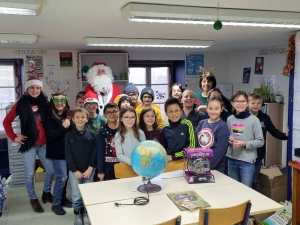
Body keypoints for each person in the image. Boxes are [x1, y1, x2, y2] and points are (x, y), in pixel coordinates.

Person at [3, 76, 55, 213]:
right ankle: (33, 198)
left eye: (38, 87)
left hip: (44, 143)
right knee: (29, 174)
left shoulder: (46, 102)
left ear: (41, 89)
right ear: (27, 89)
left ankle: (46, 192)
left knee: (51, 170)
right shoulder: (21, 103)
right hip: (29, 144)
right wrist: (14, 137)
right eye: (32, 87)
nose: (35, 90)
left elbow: (56, 114)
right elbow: (6, 121)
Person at [248, 93, 288, 190]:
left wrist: (285, 135)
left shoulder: (265, 118)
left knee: (254, 179)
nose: (256, 105)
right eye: (253, 103)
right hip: (246, 153)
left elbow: (273, 131)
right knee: (246, 179)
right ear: (248, 104)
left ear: (262, 105)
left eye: (258, 103)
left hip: (259, 153)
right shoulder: (244, 117)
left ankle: (254, 199)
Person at [65, 107, 96, 224]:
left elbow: (94, 152)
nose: (80, 119)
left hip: (89, 170)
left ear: (87, 119)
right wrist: (75, 170)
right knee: (76, 194)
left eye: (83, 117)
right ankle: (78, 214)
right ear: (73, 119)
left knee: (88, 192)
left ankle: (86, 213)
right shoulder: (69, 135)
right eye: (77, 117)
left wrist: (90, 168)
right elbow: (68, 155)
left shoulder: (92, 134)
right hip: (75, 171)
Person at [227, 91, 264, 188]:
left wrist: (244, 144)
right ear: (232, 103)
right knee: (233, 188)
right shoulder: (230, 119)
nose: (240, 104)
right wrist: (228, 140)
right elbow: (227, 136)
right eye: (237, 101)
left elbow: (260, 141)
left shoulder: (254, 120)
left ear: (247, 103)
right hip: (232, 159)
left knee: (246, 189)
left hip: (247, 161)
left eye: (243, 101)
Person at [45, 93, 72, 215]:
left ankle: (62, 198)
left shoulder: (68, 116)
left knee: (65, 177)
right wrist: (63, 126)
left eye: (62, 100)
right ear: (53, 103)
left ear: (66, 103)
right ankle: (56, 204)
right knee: (62, 177)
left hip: (67, 152)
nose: (60, 103)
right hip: (56, 153)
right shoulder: (49, 118)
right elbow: (50, 136)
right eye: (57, 101)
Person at [195, 97, 230, 173]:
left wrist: (207, 167)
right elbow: (196, 144)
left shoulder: (222, 127)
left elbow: (220, 151)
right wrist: (196, 162)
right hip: (199, 164)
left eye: (216, 109)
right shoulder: (201, 123)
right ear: (206, 108)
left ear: (221, 109)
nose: (213, 111)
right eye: (210, 108)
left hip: (216, 167)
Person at [97, 103, 120, 181]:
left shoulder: (124, 128)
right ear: (104, 115)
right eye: (108, 112)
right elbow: (100, 152)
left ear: (119, 112)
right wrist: (100, 171)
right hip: (108, 167)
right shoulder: (102, 131)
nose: (112, 114)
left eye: (114, 111)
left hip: (122, 165)